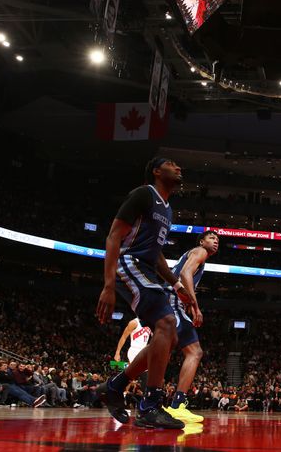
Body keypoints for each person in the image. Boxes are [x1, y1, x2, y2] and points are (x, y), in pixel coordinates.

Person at [96, 157, 200, 430]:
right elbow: (113, 237)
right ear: (156, 171)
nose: (179, 168)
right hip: (128, 263)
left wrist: (177, 286)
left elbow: (157, 256)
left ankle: (115, 387)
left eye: (180, 165)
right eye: (172, 164)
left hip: (148, 269)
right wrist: (108, 285)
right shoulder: (143, 194)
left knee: (171, 335)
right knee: (167, 324)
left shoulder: (167, 209)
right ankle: (150, 406)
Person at [164, 230, 219, 423]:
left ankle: (117, 385)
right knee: (195, 352)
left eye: (217, 239)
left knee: (162, 350)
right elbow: (185, 274)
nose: (215, 241)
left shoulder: (192, 253)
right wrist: (195, 307)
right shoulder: (200, 252)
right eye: (211, 238)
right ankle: (178, 405)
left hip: (170, 300)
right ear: (202, 241)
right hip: (172, 300)